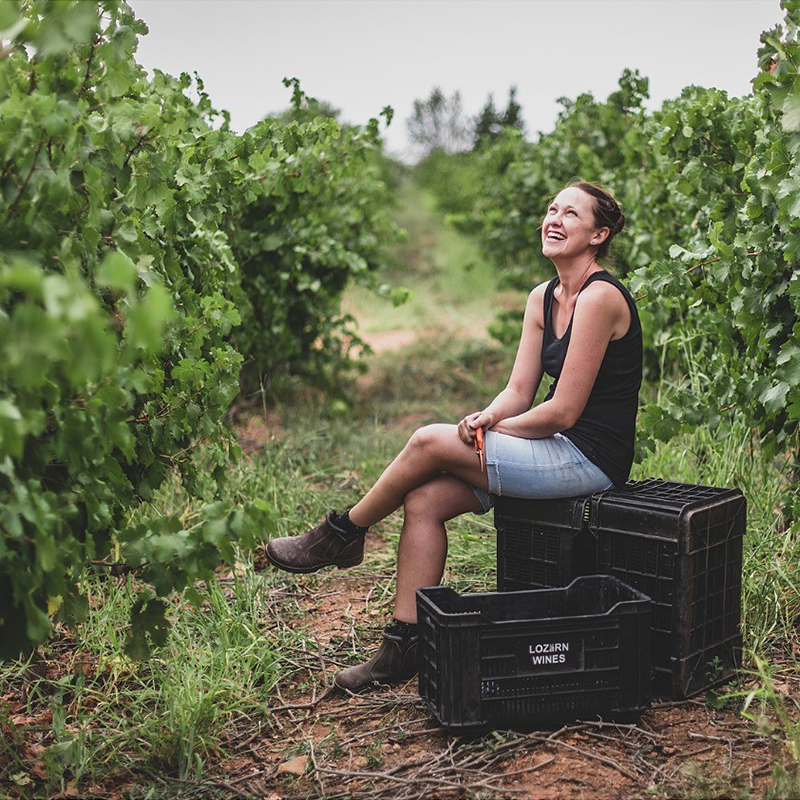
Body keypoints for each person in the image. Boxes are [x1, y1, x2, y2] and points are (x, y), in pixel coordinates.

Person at [266, 180, 643, 692]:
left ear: (599, 234)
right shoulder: (543, 297)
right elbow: (517, 390)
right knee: (423, 499)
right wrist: (486, 415)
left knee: (427, 441)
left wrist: (490, 429)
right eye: (551, 209)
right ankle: (403, 646)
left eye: (570, 214)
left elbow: (561, 411)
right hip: (550, 449)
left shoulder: (601, 298)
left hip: (589, 458)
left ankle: (341, 534)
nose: (554, 219)